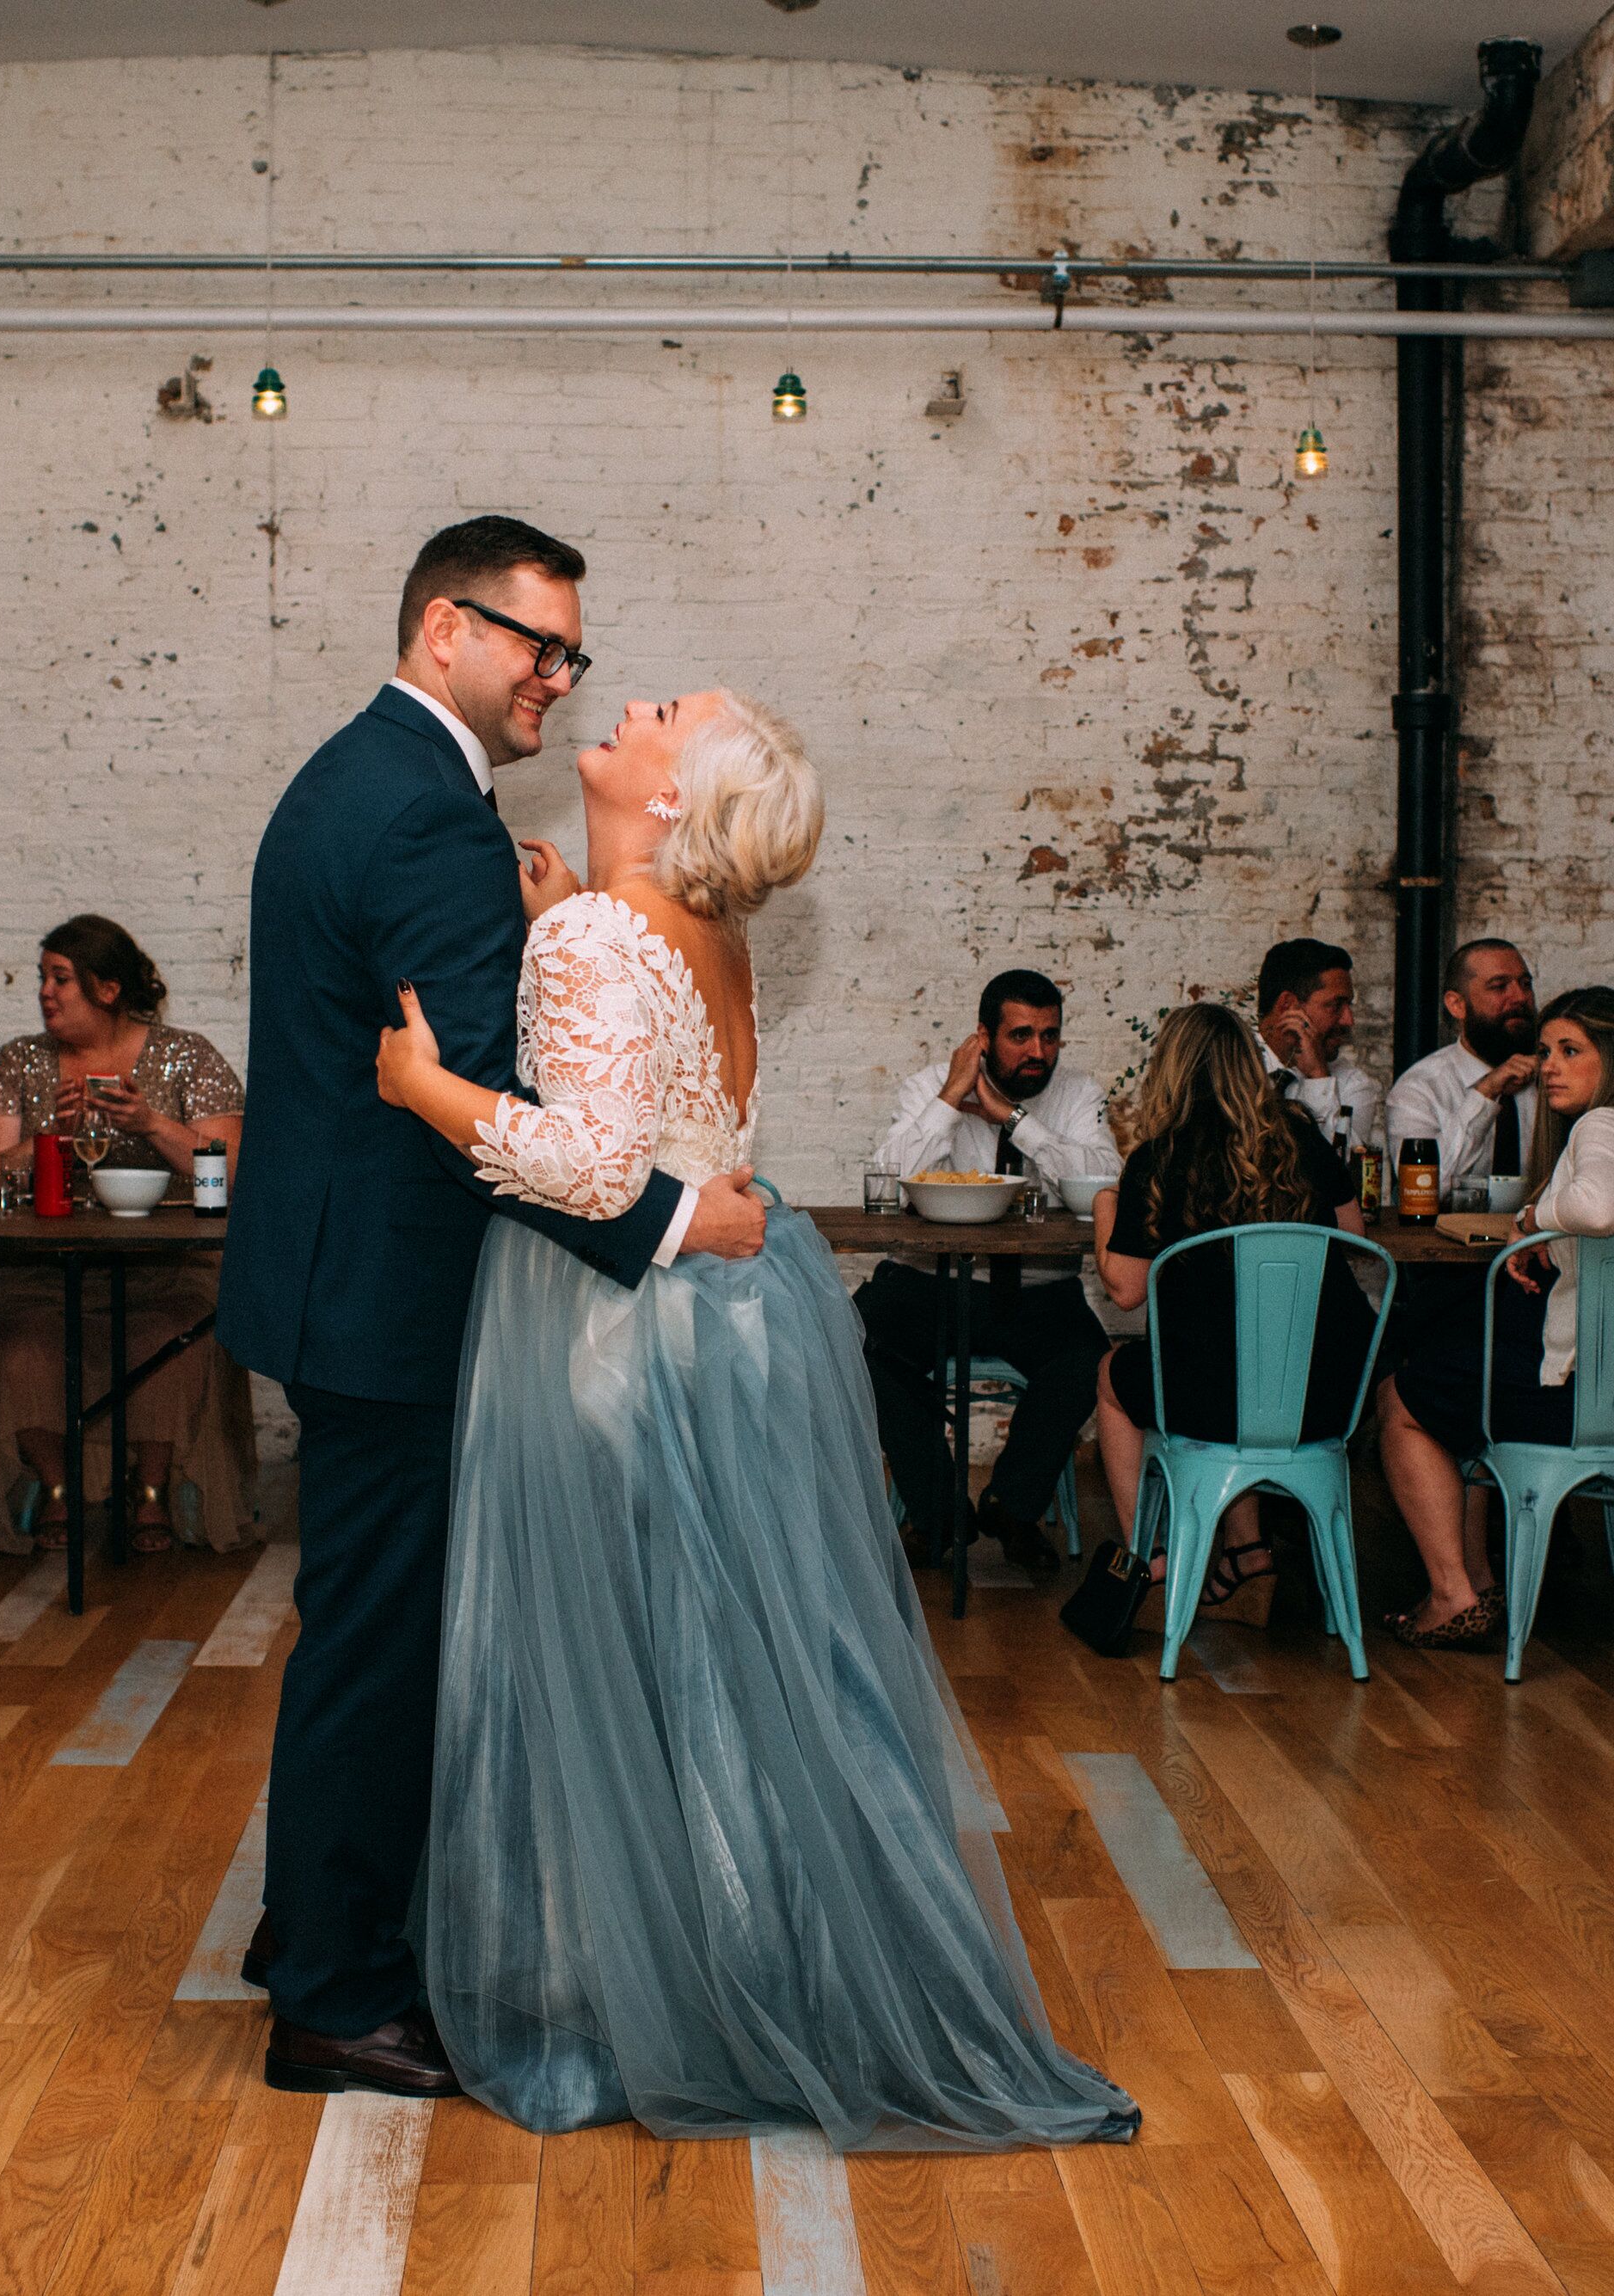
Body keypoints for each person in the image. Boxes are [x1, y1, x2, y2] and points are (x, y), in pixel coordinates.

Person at [373, 678, 1136, 2150]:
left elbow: (593, 1171)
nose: (625, 703)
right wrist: (555, 921)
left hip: (613, 1327)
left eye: (658, 711)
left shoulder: (602, 933)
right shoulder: (700, 929)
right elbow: (661, 1106)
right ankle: (749, 1963)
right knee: (716, 1656)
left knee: (608, 1654)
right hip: (730, 1319)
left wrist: (427, 1089)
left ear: (672, 797)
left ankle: (638, 1988)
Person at [219, 514, 772, 2103]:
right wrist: (680, 1218)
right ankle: (332, 1995)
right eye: (535, 643)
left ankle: (314, 1925)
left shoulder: (379, 783)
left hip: (347, 1281)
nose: (559, 676)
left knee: (369, 1629)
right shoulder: (420, 821)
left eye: (572, 652)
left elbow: (479, 1080)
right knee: (382, 1647)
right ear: (441, 631)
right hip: (387, 1298)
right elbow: (490, 1108)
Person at [1369, 986, 1614, 1649]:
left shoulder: (1603, 1126)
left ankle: (1452, 1593)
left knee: (1402, 1399)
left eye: (1570, 1051)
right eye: (1546, 1050)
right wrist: (1545, 1248)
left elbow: (1601, 1212)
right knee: (1462, 1371)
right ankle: (1482, 1582)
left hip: (1582, 1398)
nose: (1549, 1064)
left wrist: (1530, 1220)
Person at [0, 915, 252, 1554]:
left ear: (108, 989)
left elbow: (232, 1170)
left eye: (61, 979)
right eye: (42, 978)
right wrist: (47, 1144)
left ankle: (151, 1492)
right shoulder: (20, 1061)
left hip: (168, 1264)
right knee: (9, 1348)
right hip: (40, 1267)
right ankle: (59, 1487)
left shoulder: (187, 1055)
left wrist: (150, 1123)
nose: (45, 992)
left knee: (168, 1342)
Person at [1089, 1003, 1378, 1625]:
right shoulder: (1298, 1136)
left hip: (1218, 1397)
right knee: (1241, 1359)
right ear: (1249, 1068)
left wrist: (1106, 1204)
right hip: (1323, 1394)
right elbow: (1355, 1235)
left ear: (1168, 1072)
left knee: (1116, 1376)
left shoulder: (1158, 1161)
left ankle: (1155, 1558)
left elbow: (1126, 1290)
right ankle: (1248, 1557)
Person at [852, 968, 1117, 1578]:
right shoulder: (929, 1086)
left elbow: (1103, 1180)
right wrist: (951, 1100)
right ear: (983, 1037)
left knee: (1088, 1360)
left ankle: (1014, 1505)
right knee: (858, 1341)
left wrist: (1014, 1120)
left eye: (1050, 1036)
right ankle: (939, 1511)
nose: (1038, 1052)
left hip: (1037, 1292)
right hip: (928, 1286)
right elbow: (887, 1186)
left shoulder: (1076, 1095)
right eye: (1021, 1035)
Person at [1382, 938, 1542, 1197]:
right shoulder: (1419, 1090)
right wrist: (1486, 1092)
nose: (1520, 997)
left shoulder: (1553, 1077)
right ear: (1457, 1005)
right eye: (1499, 986)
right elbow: (1424, 1191)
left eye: (1526, 984)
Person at [1254, 937, 1384, 1154]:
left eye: (1348, 1006)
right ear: (1288, 1006)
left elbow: (1343, 1172)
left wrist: (1318, 1077)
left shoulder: (1352, 1085)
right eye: (1335, 1005)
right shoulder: (1231, 1065)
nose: (1348, 1020)